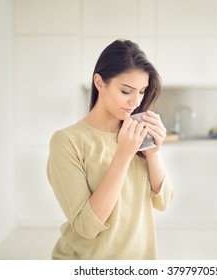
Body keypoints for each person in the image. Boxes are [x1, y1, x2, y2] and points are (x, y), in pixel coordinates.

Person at [47, 39, 173, 260]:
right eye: (126, 91)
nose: (136, 101)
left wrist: (153, 153)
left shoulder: (137, 134)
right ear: (99, 82)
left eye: (142, 91)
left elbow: (163, 202)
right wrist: (123, 154)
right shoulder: (67, 141)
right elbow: (87, 226)